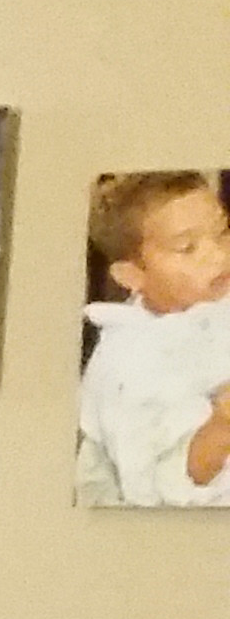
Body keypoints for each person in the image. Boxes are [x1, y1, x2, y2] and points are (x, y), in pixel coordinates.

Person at [75, 169, 230, 507]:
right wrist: (222, 426)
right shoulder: (126, 365)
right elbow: (154, 493)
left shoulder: (215, 300)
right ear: (131, 275)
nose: (218, 255)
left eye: (223, 232)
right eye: (187, 248)